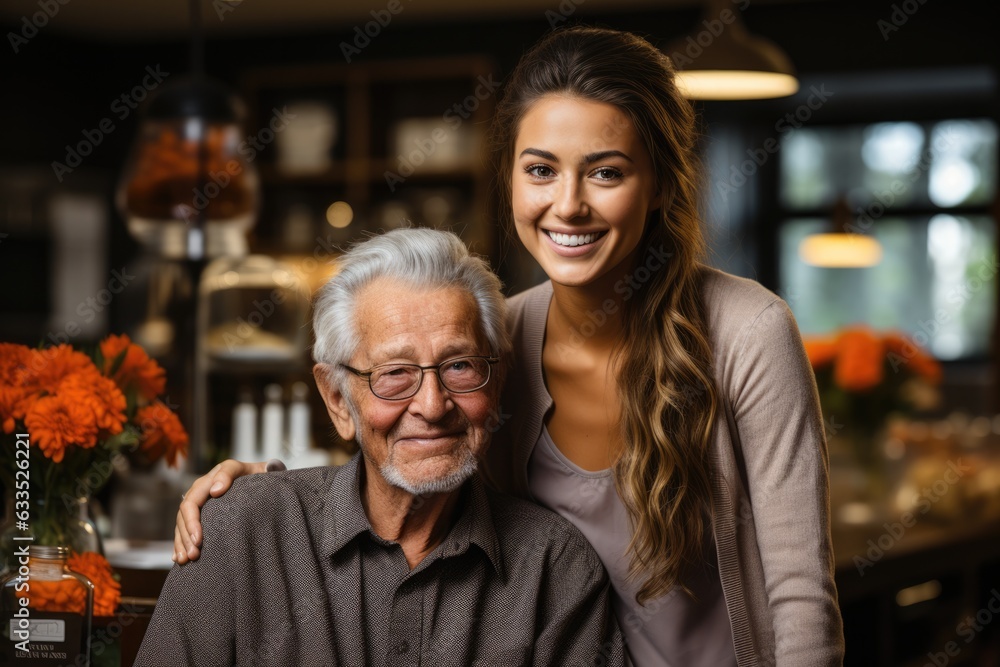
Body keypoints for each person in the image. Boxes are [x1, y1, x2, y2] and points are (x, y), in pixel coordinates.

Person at [174, 26, 844, 666]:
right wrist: (261, 497)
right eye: (541, 170)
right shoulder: (495, 340)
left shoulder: (747, 332)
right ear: (512, 180)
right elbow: (406, 451)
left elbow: (801, 596)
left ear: (662, 183)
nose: (568, 204)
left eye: (606, 173)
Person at [138, 228, 624, 666]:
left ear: (494, 385)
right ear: (338, 401)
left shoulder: (555, 573)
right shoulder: (240, 533)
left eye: (460, 366)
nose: (432, 406)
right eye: (395, 374)